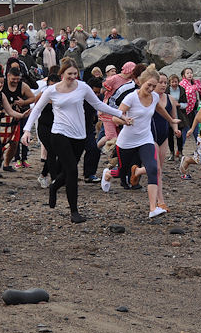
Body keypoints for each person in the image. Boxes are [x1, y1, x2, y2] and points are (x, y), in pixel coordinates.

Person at [23, 58, 130, 223]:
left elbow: (98, 105)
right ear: (62, 74)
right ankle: (74, 212)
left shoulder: (82, 87)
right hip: (59, 133)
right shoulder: (52, 90)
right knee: (72, 171)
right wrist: (26, 131)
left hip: (79, 136)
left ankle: (54, 186)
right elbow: (36, 109)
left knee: (67, 172)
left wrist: (120, 114)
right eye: (69, 74)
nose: (73, 77)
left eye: (75, 73)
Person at [111, 66, 179, 217]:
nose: (151, 88)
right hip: (126, 142)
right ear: (142, 82)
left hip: (145, 139)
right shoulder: (131, 98)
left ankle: (153, 208)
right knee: (122, 171)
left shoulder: (154, 97)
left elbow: (160, 110)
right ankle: (108, 174)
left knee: (153, 169)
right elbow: (115, 117)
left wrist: (171, 120)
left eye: (154, 86)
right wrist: (124, 121)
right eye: (149, 85)